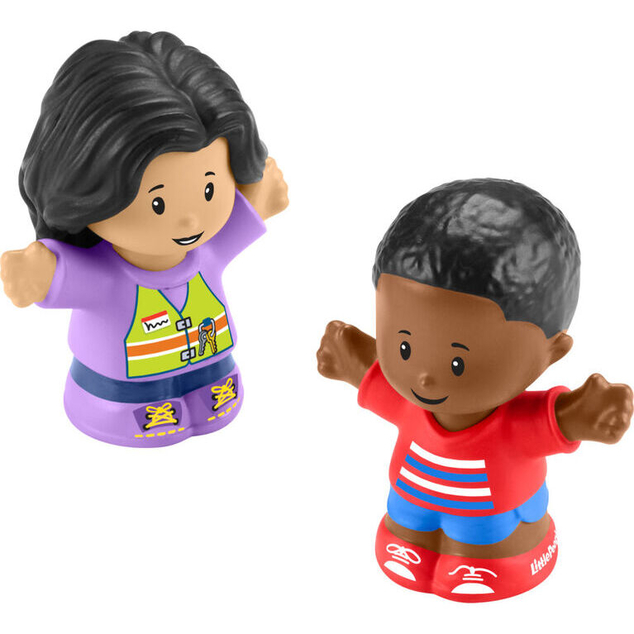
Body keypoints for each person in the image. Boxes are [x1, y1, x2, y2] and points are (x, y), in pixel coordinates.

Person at [317, 178, 632, 602]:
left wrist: (586, 414)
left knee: (480, 538)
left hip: (490, 516)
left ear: (551, 351)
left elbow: (556, 421)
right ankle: (410, 548)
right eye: (404, 346)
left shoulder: (514, 424)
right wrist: (351, 361)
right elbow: (374, 376)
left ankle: (484, 566)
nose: (425, 378)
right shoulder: (408, 398)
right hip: (412, 498)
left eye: (457, 363)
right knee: (406, 522)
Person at [0, 31, 289, 447]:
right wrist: (38, 273)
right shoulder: (103, 277)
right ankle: (145, 408)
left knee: (213, 381)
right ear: (87, 187)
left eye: (209, 188)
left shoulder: (207, 251)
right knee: (140, 398)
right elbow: (58, 276)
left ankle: (205, 395)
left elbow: (238, 224)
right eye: (158, 203)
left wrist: (259, 200)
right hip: (122, 388)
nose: (190, 219)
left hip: (211, 363)